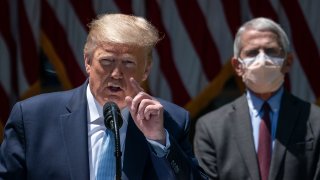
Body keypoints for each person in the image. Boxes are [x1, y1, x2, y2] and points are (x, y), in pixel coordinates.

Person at [0, 13, 207, 180]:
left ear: (146, 71)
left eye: (128, 63)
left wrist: (158, 141)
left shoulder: (171, 121)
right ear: (88, 62)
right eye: (107, 61)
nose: (116, 73)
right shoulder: (32, 118)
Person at [194, 17, 320, 180]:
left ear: (288, 62)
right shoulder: (212, 127)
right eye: (252, 52)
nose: (262, 59)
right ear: (237, 66)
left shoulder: (315, 120)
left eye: (271, 51)